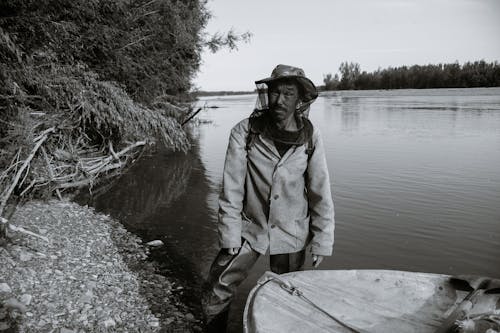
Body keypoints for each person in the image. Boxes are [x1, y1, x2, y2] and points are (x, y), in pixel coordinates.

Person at [203, 64, 335, 331]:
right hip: (248, 227)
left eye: (288, 94)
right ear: (266, 94)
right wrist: (229, 234)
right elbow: (231, 189)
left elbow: (321, 192)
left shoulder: (311, 138)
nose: (280, 100)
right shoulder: (246, 131)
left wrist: (322, 240)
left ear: (300, 99)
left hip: (292, 230)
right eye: (275, 92)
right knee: (218, 286)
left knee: (287, 293)